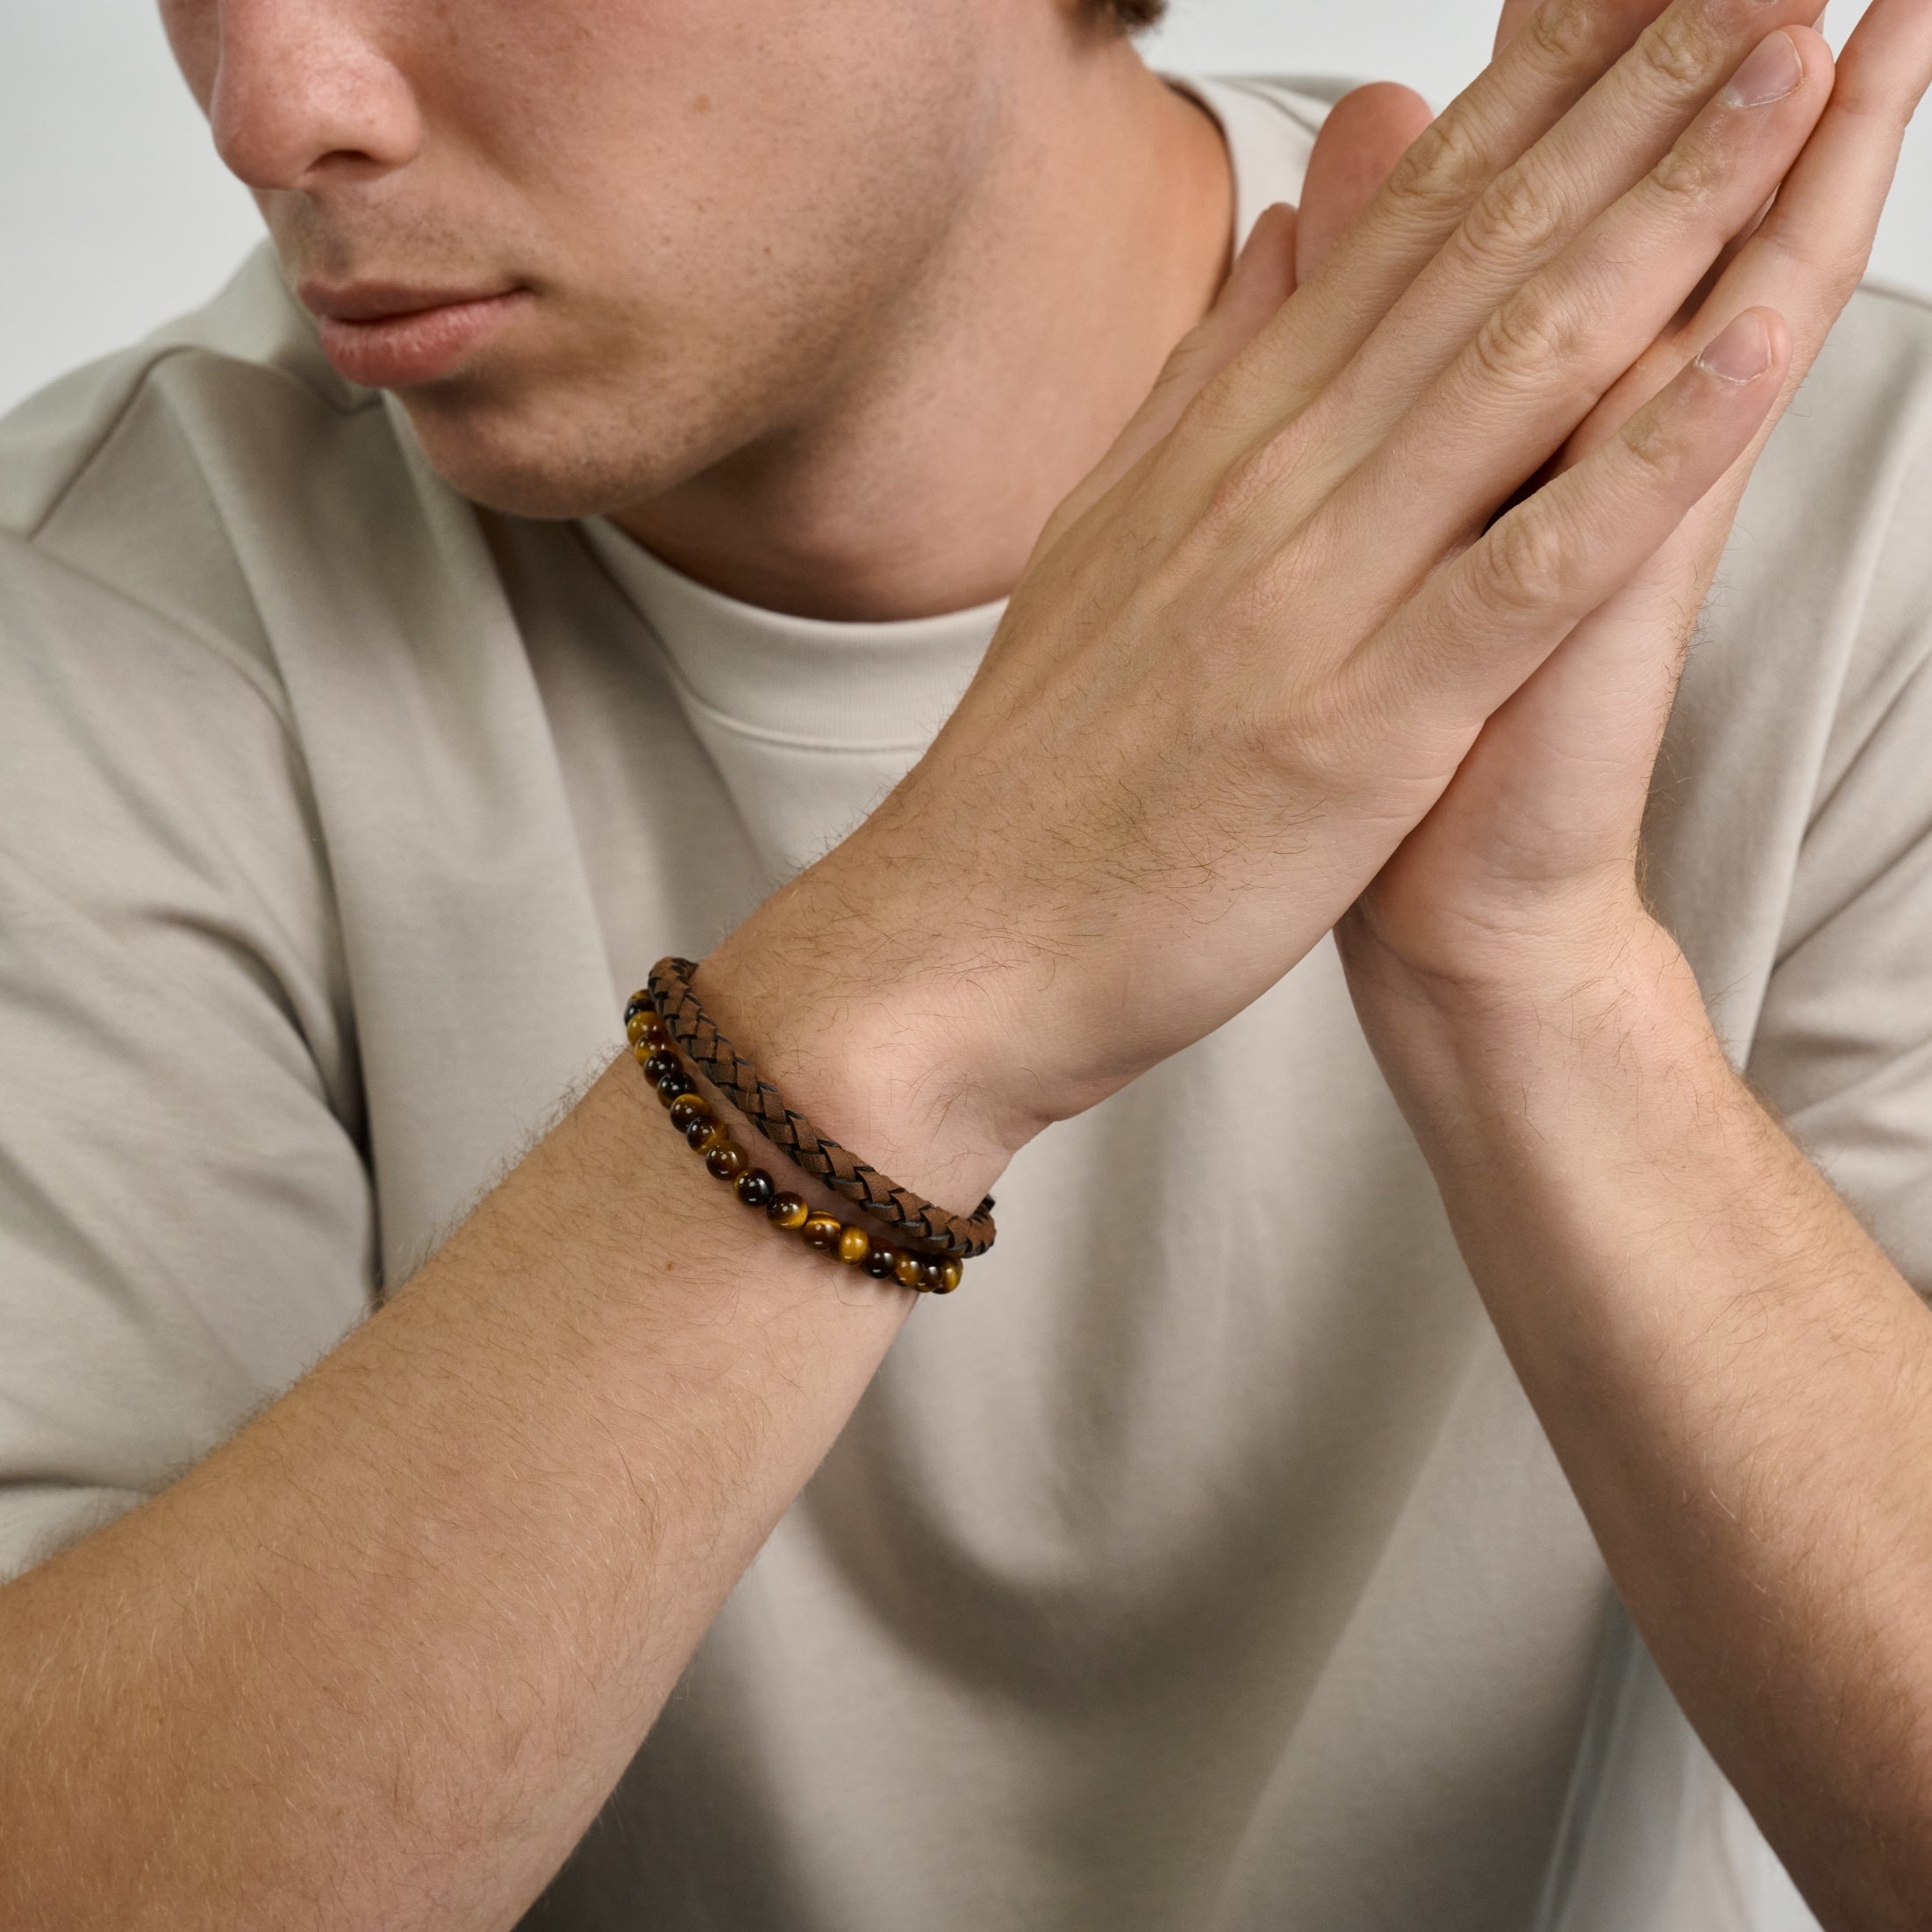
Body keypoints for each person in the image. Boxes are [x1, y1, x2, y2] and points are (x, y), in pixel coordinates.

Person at [3, 0, 1931, 1922]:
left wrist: (1536, 981)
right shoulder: (95, 620)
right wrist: (926, 964)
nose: (271, 111)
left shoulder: (1837, 504)